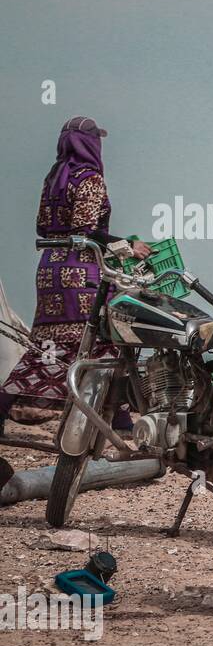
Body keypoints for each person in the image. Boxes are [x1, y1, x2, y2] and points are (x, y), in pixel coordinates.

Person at [0, 117, 148, 434]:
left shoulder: (54, 177)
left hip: (49, 270)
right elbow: (87, 231)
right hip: (81, 273)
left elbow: (42, 226)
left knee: (46, 348)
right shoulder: (90, 179)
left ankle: (2, 409)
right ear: (91, 143)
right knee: (111, 341)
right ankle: (121, 423)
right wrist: (128, 245)